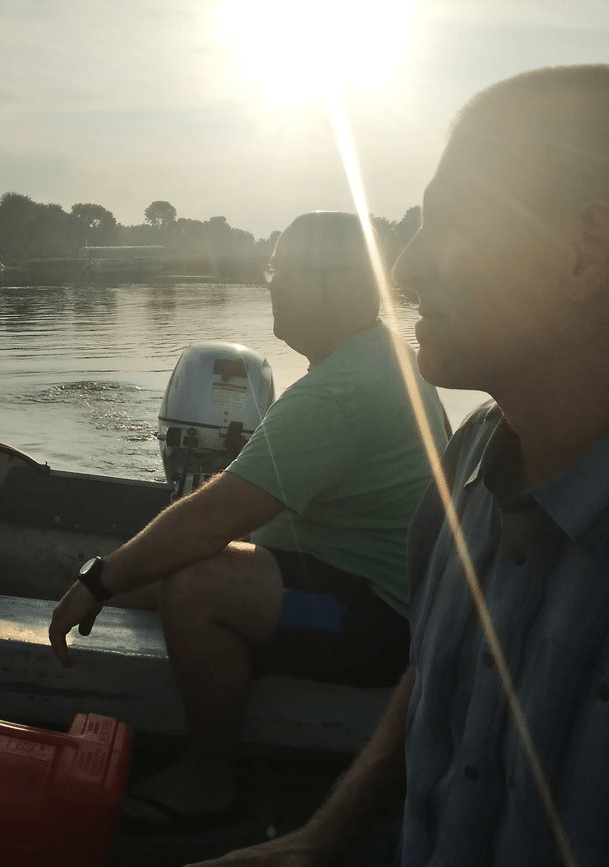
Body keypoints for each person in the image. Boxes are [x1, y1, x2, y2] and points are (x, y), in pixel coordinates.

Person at [187, 64, 609, 867]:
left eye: (448, 224)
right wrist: (324, 837)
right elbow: (440, 661)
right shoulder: (472, 459)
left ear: (585, 252)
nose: (407, 271)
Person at [48, 210, 449, 829]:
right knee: (148, 573)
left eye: (283, 270)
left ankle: (209, 779)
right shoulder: (375, 356)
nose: (272, 283)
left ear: (333, 284)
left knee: (198, 584)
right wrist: (117, 577)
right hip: (340, 584)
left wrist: (99, 578)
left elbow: (213, 518)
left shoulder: (344, 391)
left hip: (376, 624)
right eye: (273, 269)